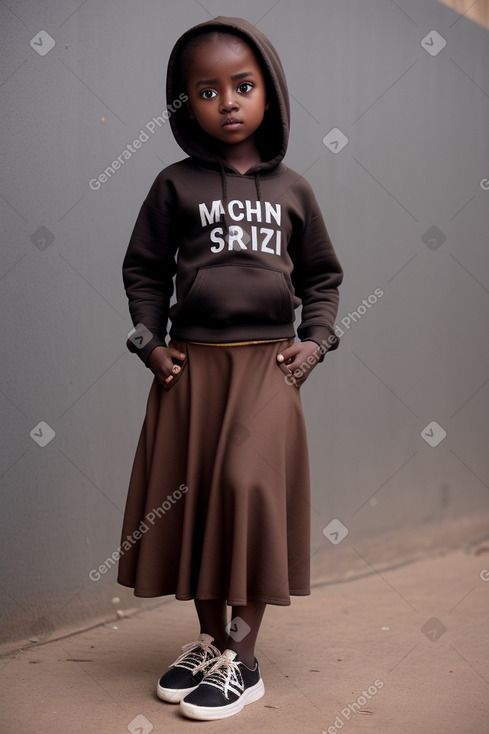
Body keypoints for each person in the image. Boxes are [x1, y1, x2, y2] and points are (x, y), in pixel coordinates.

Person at [117, 16, 343, 721]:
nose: (228, 101)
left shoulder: (295, 189)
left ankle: (243, 662)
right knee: (197, 500)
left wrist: (318, 341)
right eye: (206, 90)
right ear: (186, 103)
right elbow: (143, 270)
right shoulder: (173, 184)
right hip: (191, 371)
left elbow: (323, 276)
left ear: (268, 92)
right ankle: (212, 641)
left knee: (246, 489)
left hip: (268, 366)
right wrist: (148, 343)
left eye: (243, 85)